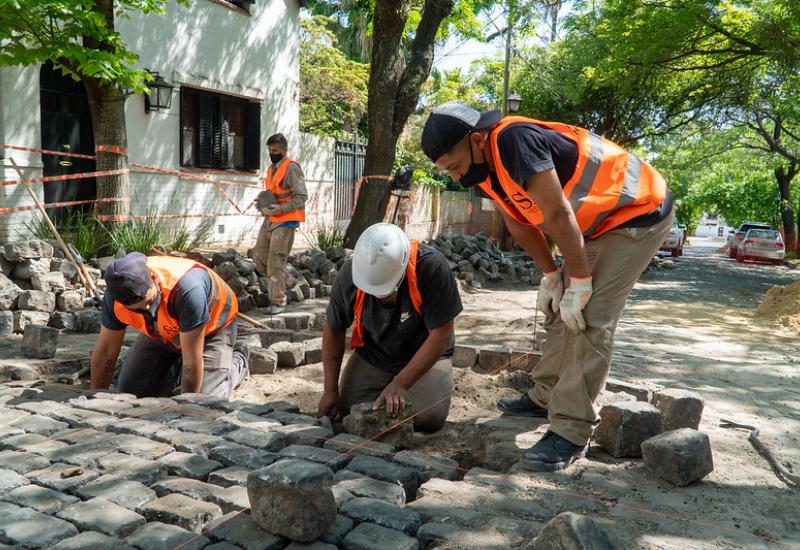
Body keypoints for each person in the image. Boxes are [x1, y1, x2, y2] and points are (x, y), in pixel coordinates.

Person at [422, 102, 674, 471]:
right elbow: (518, 222)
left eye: (455, 165)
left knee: (591, 316)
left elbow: (556, 213)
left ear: (475, 140)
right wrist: (552, 275)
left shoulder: (515, 141)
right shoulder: (483, 169)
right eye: (447, 171)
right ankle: (546, 395)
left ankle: (571, 429)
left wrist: (581, 281)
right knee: (559, 308)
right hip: (596, 222)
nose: (456, 177)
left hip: (637, 213)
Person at [316, 223, 463, 432]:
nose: (380, 297)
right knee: (347, 407)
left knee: (429, 416)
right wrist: (330, 390)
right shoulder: (351, 274)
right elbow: (334, 328)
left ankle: (406, 388)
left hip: (426, 354)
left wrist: (401, 383)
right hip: (376, 353)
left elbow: (441, 335)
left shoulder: (431, 268)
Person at [90, 252, 249, 399]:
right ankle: (174, 367)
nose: (148, 310)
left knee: (206, 399)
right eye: (140, 310)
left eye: (150, 302)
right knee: (131, 389)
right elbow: (106, 351)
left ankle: (238, 361)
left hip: (213, 326)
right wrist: (95, 397)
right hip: (164, 329)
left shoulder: (188, 290)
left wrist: (186, 406)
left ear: (153, 277)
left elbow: (192, 361)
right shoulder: (115, 296)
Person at [253, 133, 308, 314]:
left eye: (275, 150)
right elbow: (273, 192)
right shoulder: (271, 168)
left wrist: (281, 209)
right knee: (259, 257)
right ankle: (289, 281)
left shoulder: (291, 168)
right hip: (270, 219)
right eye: (269, 150)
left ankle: (277, 302)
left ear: (284, 150)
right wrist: (262, 201)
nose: (272, 153)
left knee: (275, 261)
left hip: (286, 221)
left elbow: (301, 196)